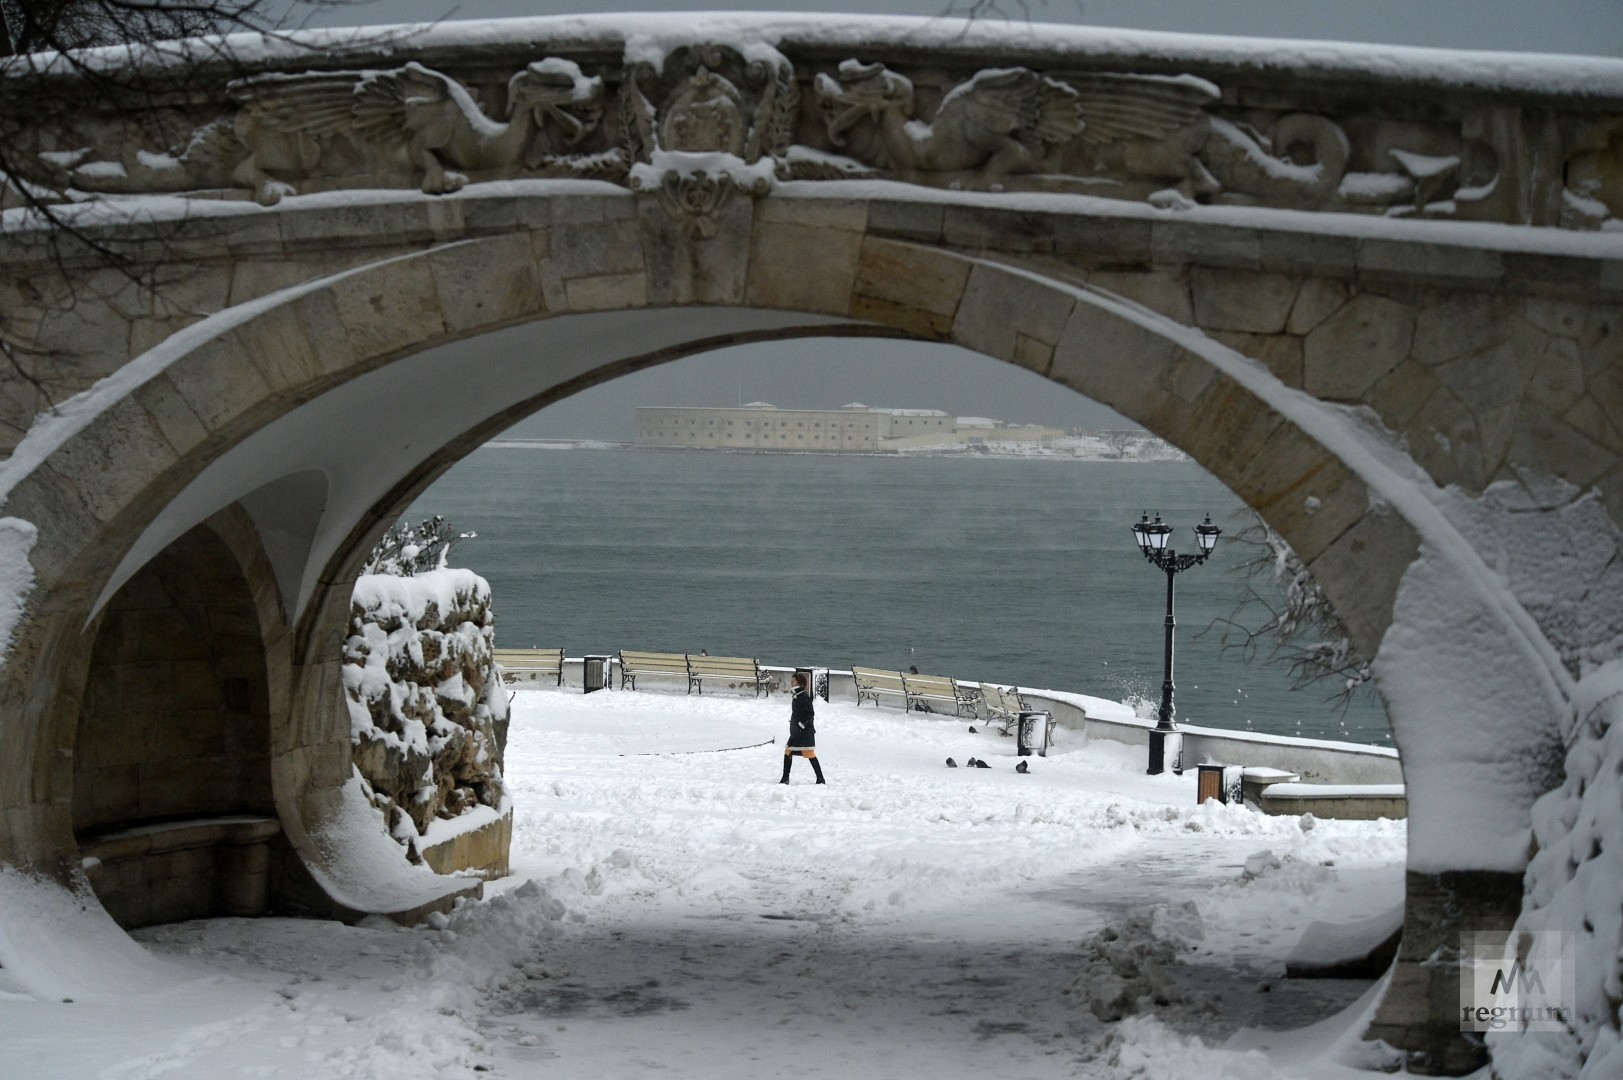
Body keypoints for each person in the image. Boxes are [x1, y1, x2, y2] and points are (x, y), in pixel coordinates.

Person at [780, 671, 825, 785]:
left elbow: (810, 714)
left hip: (804, 732)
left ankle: (820, 779)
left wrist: (801, 725)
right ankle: (785, 778)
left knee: (809, 754)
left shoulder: (803, 696)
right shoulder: (797, 695)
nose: (791, 682)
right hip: (797, 732)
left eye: (793, 680)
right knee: (788, 752)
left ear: (799, 683)